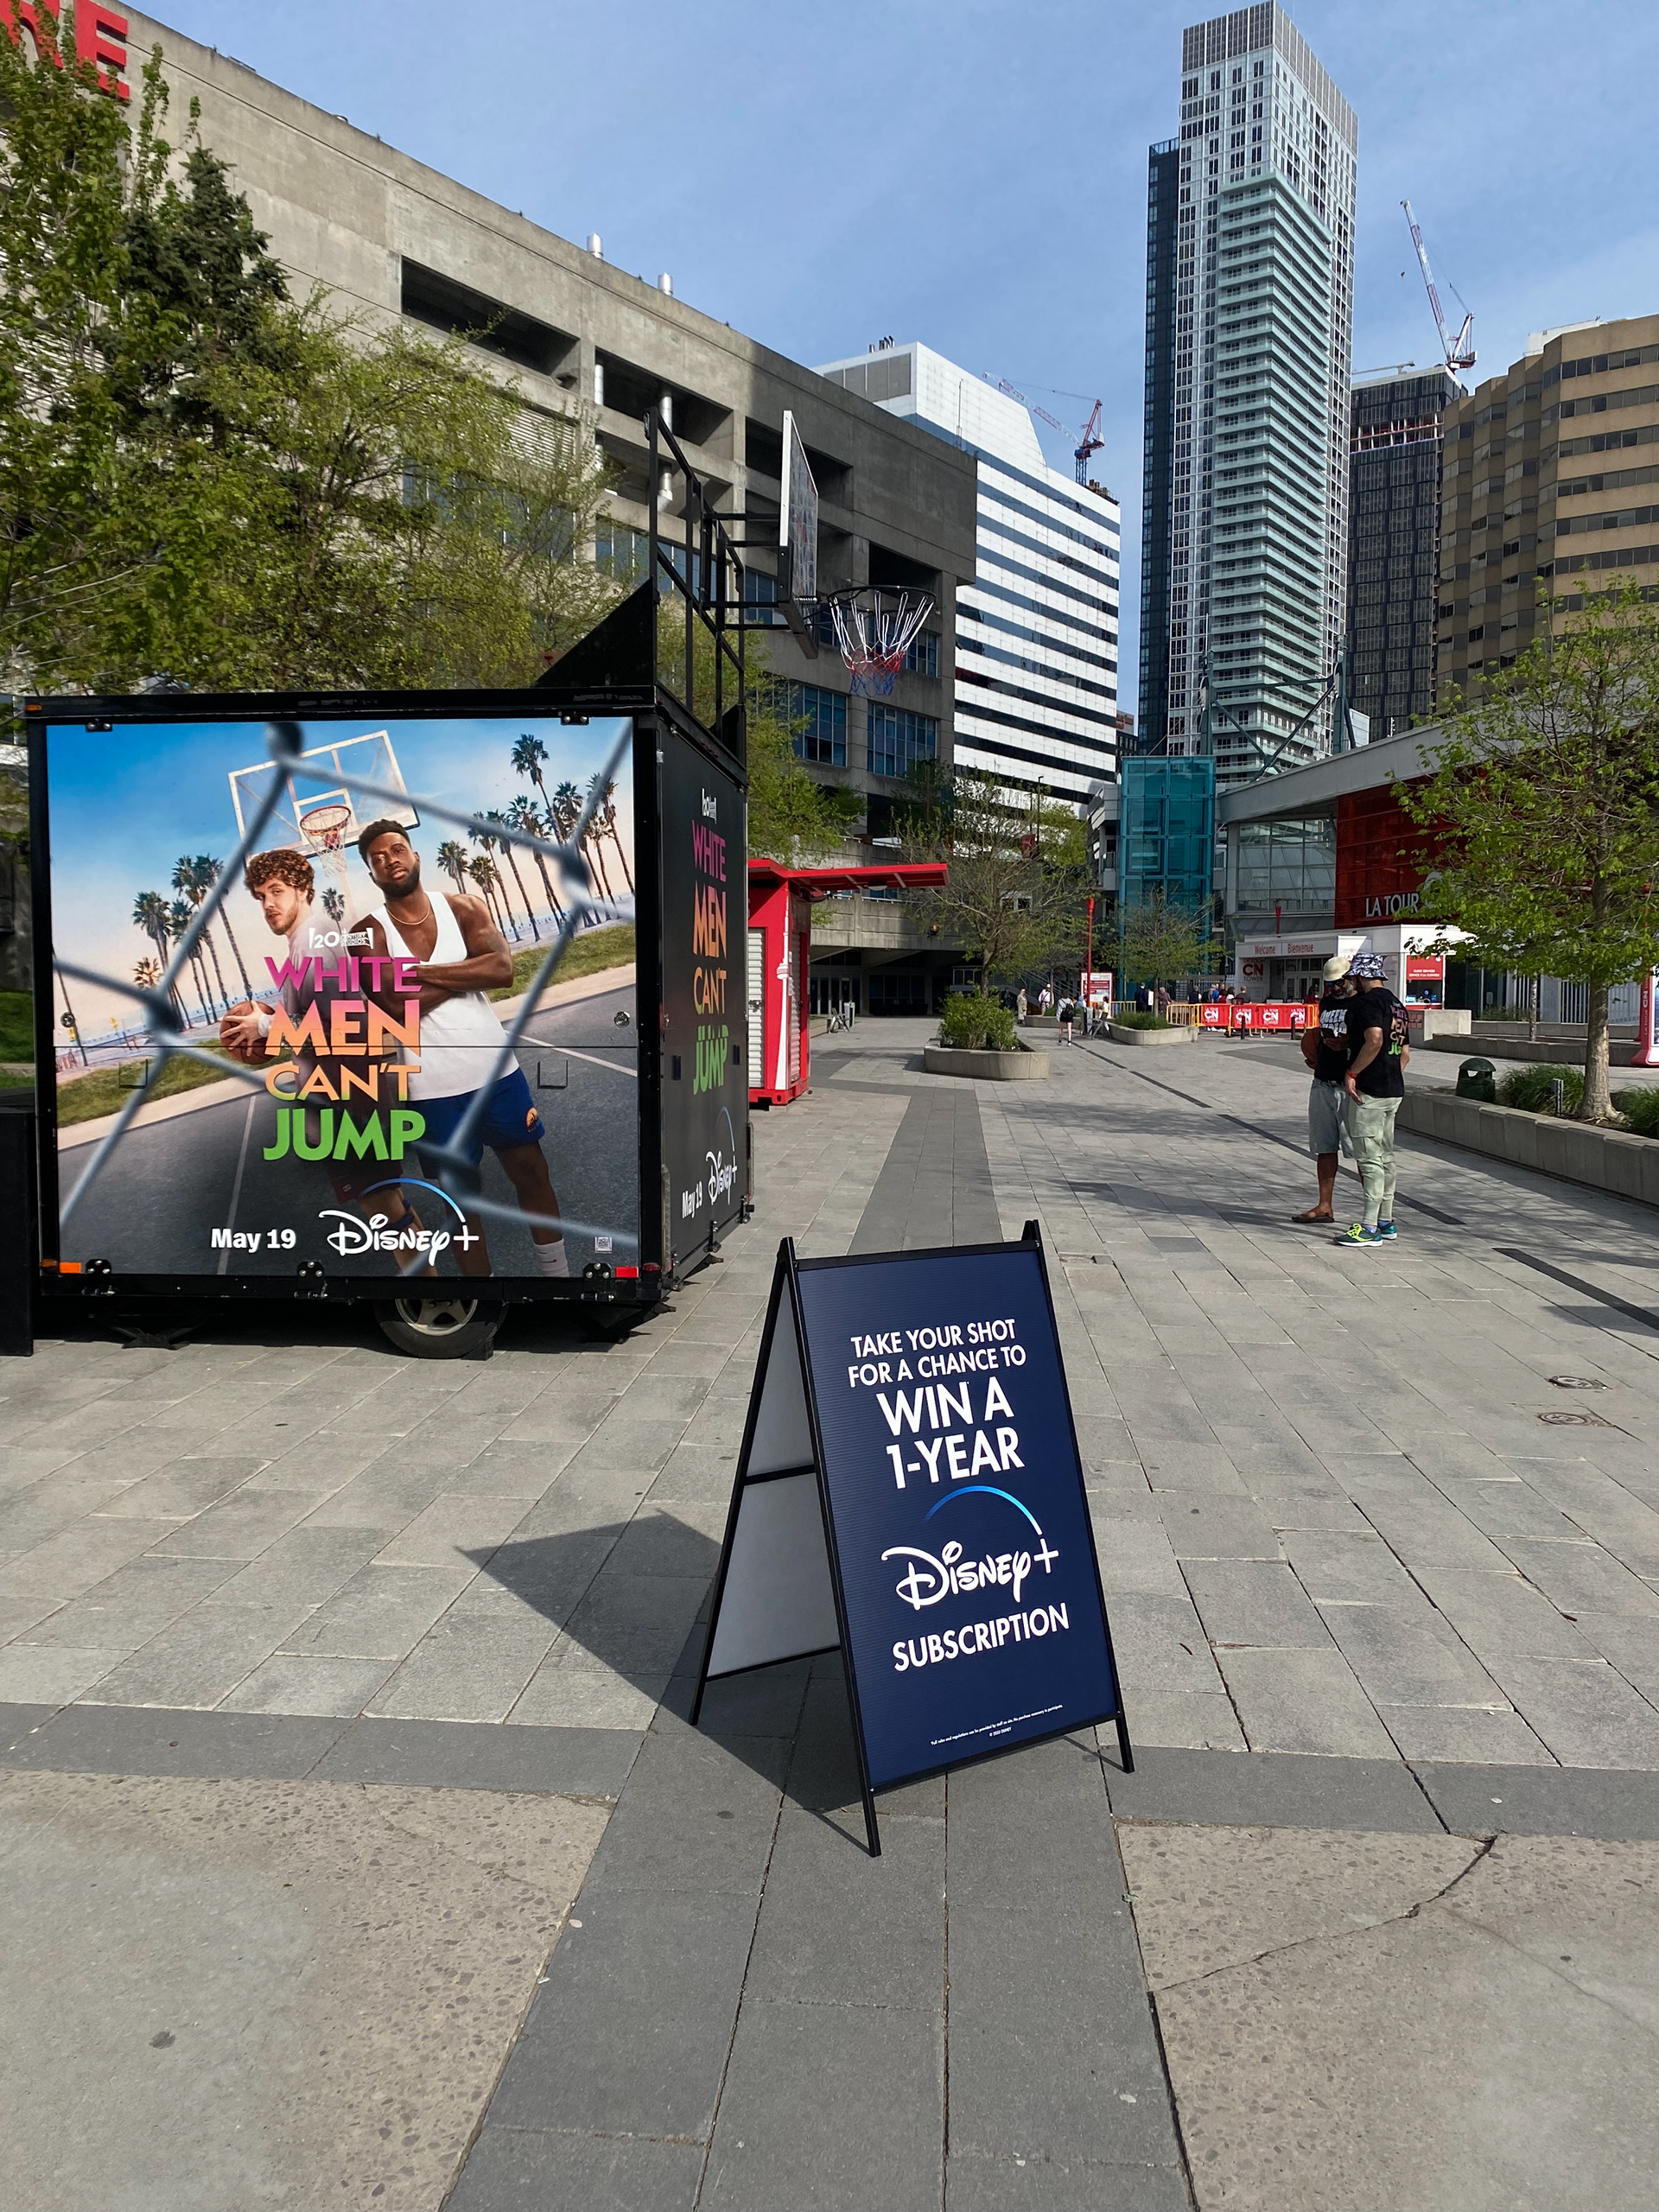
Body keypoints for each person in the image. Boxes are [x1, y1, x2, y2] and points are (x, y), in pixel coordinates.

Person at [355, 819, 569, 1279]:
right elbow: (394, 1006)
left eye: (396, 850)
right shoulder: (365, 934)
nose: (389, 860)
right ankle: (482, 1303)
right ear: (371, 874)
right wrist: (464, 970)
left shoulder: (464, 907)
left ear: (414, 855)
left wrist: (420, 973)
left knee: (532, 1173)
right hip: (430, 1090)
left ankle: (557, 1279)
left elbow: (501, 969)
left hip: (496, 1075)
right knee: (460, 1204)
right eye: (377, 859)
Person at [221, 849, 433, 1258]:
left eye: (277, 891)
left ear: (302, 890)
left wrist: (264, 1025)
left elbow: (337, 1026)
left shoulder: (313, 946)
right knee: (390, 1205)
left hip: (350, 1105)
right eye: (262, 896)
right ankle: (434, 1286)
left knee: (384, 1211)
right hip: (351, 1098)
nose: (268, 904)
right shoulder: (309, 941)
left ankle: (430, 1297)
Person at [1337, 950, 1410, 1245]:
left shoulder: (1367, 1003)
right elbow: (1405, 1053)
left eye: (1352, 977)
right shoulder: (1397, 1004)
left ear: (1361, 976)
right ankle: (1386, 1221)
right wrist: (1390, 1073)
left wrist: (1353, 1073)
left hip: (1371, 1092)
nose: (1349, 983)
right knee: (1387, 1157)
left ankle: (1369, 1228)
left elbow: (1375, 1039)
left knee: (1369, 1160)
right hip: (1394, 1089)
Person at [1293, 956, 1355, 1224]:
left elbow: (1372, 1040)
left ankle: (1374, 1213)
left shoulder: (1362, 1003)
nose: (1335, 989)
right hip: (1322, 1081)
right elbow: (1322, 1035)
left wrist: (1347, 1046)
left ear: (1350, 978)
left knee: (1362, 1151)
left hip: (1350, 1084)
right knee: (1324, 1148)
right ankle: (1325, 1205)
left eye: (1339, 983)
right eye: (1330, 985)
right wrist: (1316, 1054)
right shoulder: (1327, 1002)